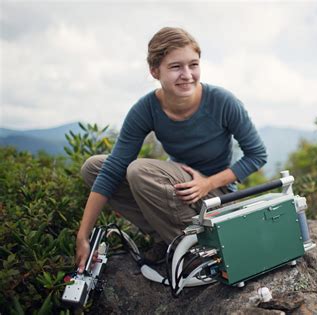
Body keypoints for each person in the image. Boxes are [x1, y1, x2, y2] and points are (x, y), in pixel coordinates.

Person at [75, 27, 267, 272]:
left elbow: (257, 155)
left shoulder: (222, 101)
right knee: (93, 167)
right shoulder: (146, 109)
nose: (187, 74)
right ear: (155, 71)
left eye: (193, 64)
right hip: (180, 188)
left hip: (216, 195)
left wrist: (207, 184)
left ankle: (195, 248)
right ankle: (165, 236)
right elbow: (112, 170)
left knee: (139, 171)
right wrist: (83, 235)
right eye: (176, 67)